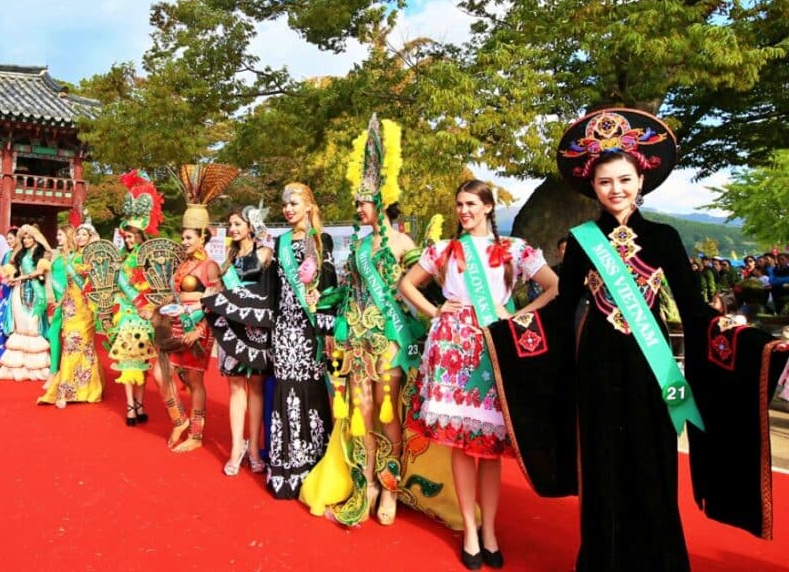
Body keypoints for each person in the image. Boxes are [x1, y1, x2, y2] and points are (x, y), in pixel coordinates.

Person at [485, 107, 788, 571]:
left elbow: (696, 311)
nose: (616, 190)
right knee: (603, 465)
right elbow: (563, 311)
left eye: (624, 179)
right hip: (598, 370)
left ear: (641, 180)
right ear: (593, 186)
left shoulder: (664, 238)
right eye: (605, 182)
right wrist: (506, 333)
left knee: (654, 464)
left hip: (655, 370)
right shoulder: (583, 240)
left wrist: (752, 341)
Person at [398, 179, 558, 569]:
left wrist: (518, 316)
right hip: (453, 350)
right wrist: (435, 311)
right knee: (460, 444)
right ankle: (470, 528)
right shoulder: (444, 250)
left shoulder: (514, 250)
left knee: (490, 449)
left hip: (494, 348)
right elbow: (406, 285)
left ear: (488, 207)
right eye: (459, 204)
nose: (464, 211)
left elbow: (554, 287)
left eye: (471, 203)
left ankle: (489, 528)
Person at [316, 117, 418, 526]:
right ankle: (366, 486)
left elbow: (419, 290)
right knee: (363, 410)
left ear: (382, 201)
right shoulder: (356, 245)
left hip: (389, 339)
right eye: (357, 202)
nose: (358, 207)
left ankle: (389, 486)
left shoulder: (403, 243)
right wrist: (335, 332)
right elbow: (343, 292)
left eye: (364, 201)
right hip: (356, 340)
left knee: (389, 411)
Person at [151, 164, 236, 453]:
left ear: (203, 237)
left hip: (198, 329)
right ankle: (179, 420)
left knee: (195, 379)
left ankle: (197, 436)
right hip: (176, 326)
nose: (183, 241)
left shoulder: (209, 266)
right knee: (160, 374)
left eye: (189, 237)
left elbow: (216, 302)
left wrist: (199, 329)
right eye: (183, 237)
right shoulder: (183, 264)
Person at [266, 182, 337, 499]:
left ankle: (315, 466)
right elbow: (269, 290)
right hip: (284, 331)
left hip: (311, 331)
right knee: (286, 392)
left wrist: (328, 327)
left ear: (308, 205)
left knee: (311, 390)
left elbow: (332, 285)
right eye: (285, 204)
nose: (288, 209)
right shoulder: (278, 243)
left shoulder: (322, 241)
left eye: (294, 203)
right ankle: (286, 469)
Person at [213, 206, 273, 476]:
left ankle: (253, 449)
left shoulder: (264, 252)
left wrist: (262, 235)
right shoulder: (228, 259)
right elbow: (222, 289)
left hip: (257, 329)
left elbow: (249, 274)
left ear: (251, 225)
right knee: (236, 388)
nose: (233, 228)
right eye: (230, 224)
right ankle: (237, 447)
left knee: (256, 387)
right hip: (231, 328)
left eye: (238, 223)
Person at [103, 170, 165, 426]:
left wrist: (149, 304)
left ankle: (139, 406)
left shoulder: (149, 257)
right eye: (125, 236)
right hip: (125, 315)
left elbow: (157, 287)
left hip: (143, 314)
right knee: (128, 362)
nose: (126, 240)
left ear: (140, 236)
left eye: (130, 236)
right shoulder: (119, 258)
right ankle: (130, 408)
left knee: (141, 363)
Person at [38, 225, 104, 408]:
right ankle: (64, 391)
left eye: (85, 234)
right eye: (79, 234)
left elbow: (98, 280)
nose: (81, 237)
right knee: (69, 345)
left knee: (85, 347)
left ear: (91, 236)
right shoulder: (73, 255)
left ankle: (89, 389)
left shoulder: (93, 256)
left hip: (86, 307)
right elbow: (69, 283)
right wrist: (62, 301)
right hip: (70, 307)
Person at [0, 225, 53, 382]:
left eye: (30, 237)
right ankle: (19, 367)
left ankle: (37, 368)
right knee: (21, 327)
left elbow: (40, 273)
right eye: (24, 238)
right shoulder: (19, 254)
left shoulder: (44, 254)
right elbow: (8, 273)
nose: (27, 240)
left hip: (37, 293)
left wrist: (19, 278)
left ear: (36, 237)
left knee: (32, 326)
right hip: (18, 292)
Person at [0, 227, 19, 375]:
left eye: (11, 238)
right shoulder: (7, 254)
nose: (9, 241)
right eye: (7, 239)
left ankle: (11, 362)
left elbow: (6, 275)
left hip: (17, 293)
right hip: (3, 293)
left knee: (12, 328)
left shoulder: (21, 256)